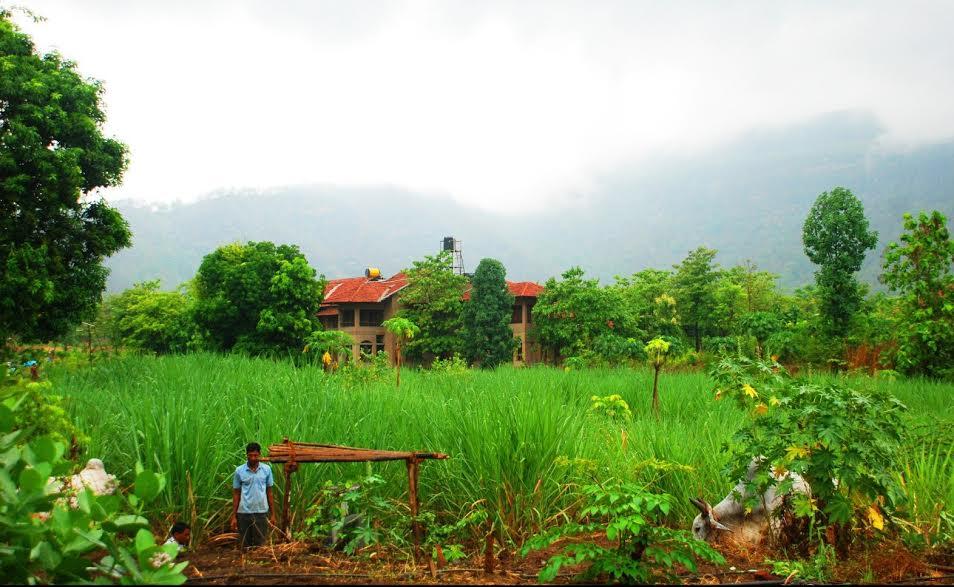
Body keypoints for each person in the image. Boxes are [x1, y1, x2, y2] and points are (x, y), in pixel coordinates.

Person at [230, 442, 275, 548]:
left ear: (259, 454)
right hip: (244, 513)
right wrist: (234, 516)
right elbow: (236, 493)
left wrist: (273, 514)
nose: (253, 458)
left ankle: (258, 565)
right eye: (250, 455)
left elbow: (269, 492)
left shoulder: (266, 470)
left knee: (260, 546)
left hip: (261, 512)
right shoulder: (239, 471)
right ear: (246, 455)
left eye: (255, 455)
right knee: (245, 546)